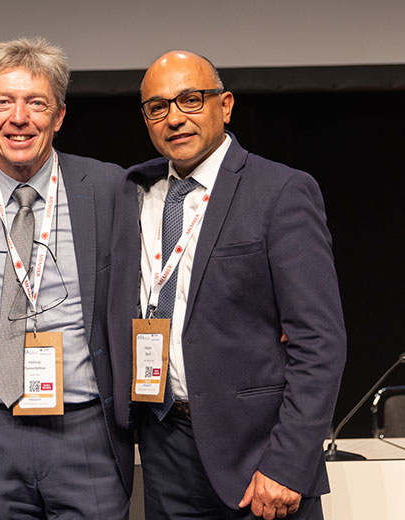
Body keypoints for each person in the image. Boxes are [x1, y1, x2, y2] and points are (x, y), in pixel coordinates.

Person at [108, 50, 346, 520]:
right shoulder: (134, 191)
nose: (174, 118)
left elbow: (320, 342)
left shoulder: (280, 191)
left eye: (191, 100)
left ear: (226, 105)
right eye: (158, 107)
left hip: (257, 457)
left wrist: (288, 464)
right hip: (163, 446)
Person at [0, 37, 132, 519]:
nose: (19, 118)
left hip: (83, 429)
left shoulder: (108, 188)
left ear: (59, 115)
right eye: (3, 102)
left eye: (36, 103)